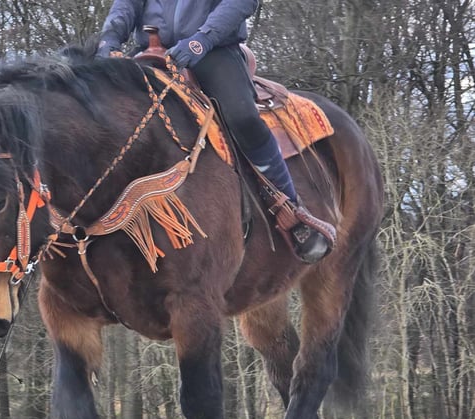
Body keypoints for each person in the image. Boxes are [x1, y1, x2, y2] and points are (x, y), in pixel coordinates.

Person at [97, 0, 335, 263]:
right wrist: (109, 41)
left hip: (212, 50)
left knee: (243, 117)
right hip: (149, 53)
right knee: (104, 118)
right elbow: (126, 5)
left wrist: (201, 40)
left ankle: (289, 207)